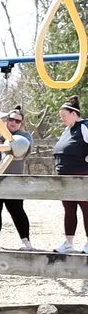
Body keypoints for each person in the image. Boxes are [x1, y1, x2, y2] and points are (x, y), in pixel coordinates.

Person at [0, 107, 35, 248]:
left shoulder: (24, 137)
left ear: (21, 124)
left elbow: (24, 151)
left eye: (17, 121)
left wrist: (7, 143)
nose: (13, 122)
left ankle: (26, 241)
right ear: (5, 120)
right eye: (10, 119)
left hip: (14, 180)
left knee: (17, 210)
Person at [55, 100, 88, 253]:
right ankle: (68, 242)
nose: (62, 119)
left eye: (64, 115)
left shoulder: (84, 127)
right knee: (69, 210)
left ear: (74, 114)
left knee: (86, 209)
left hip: (82, 176)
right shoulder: (67, 130)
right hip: (64, 177)